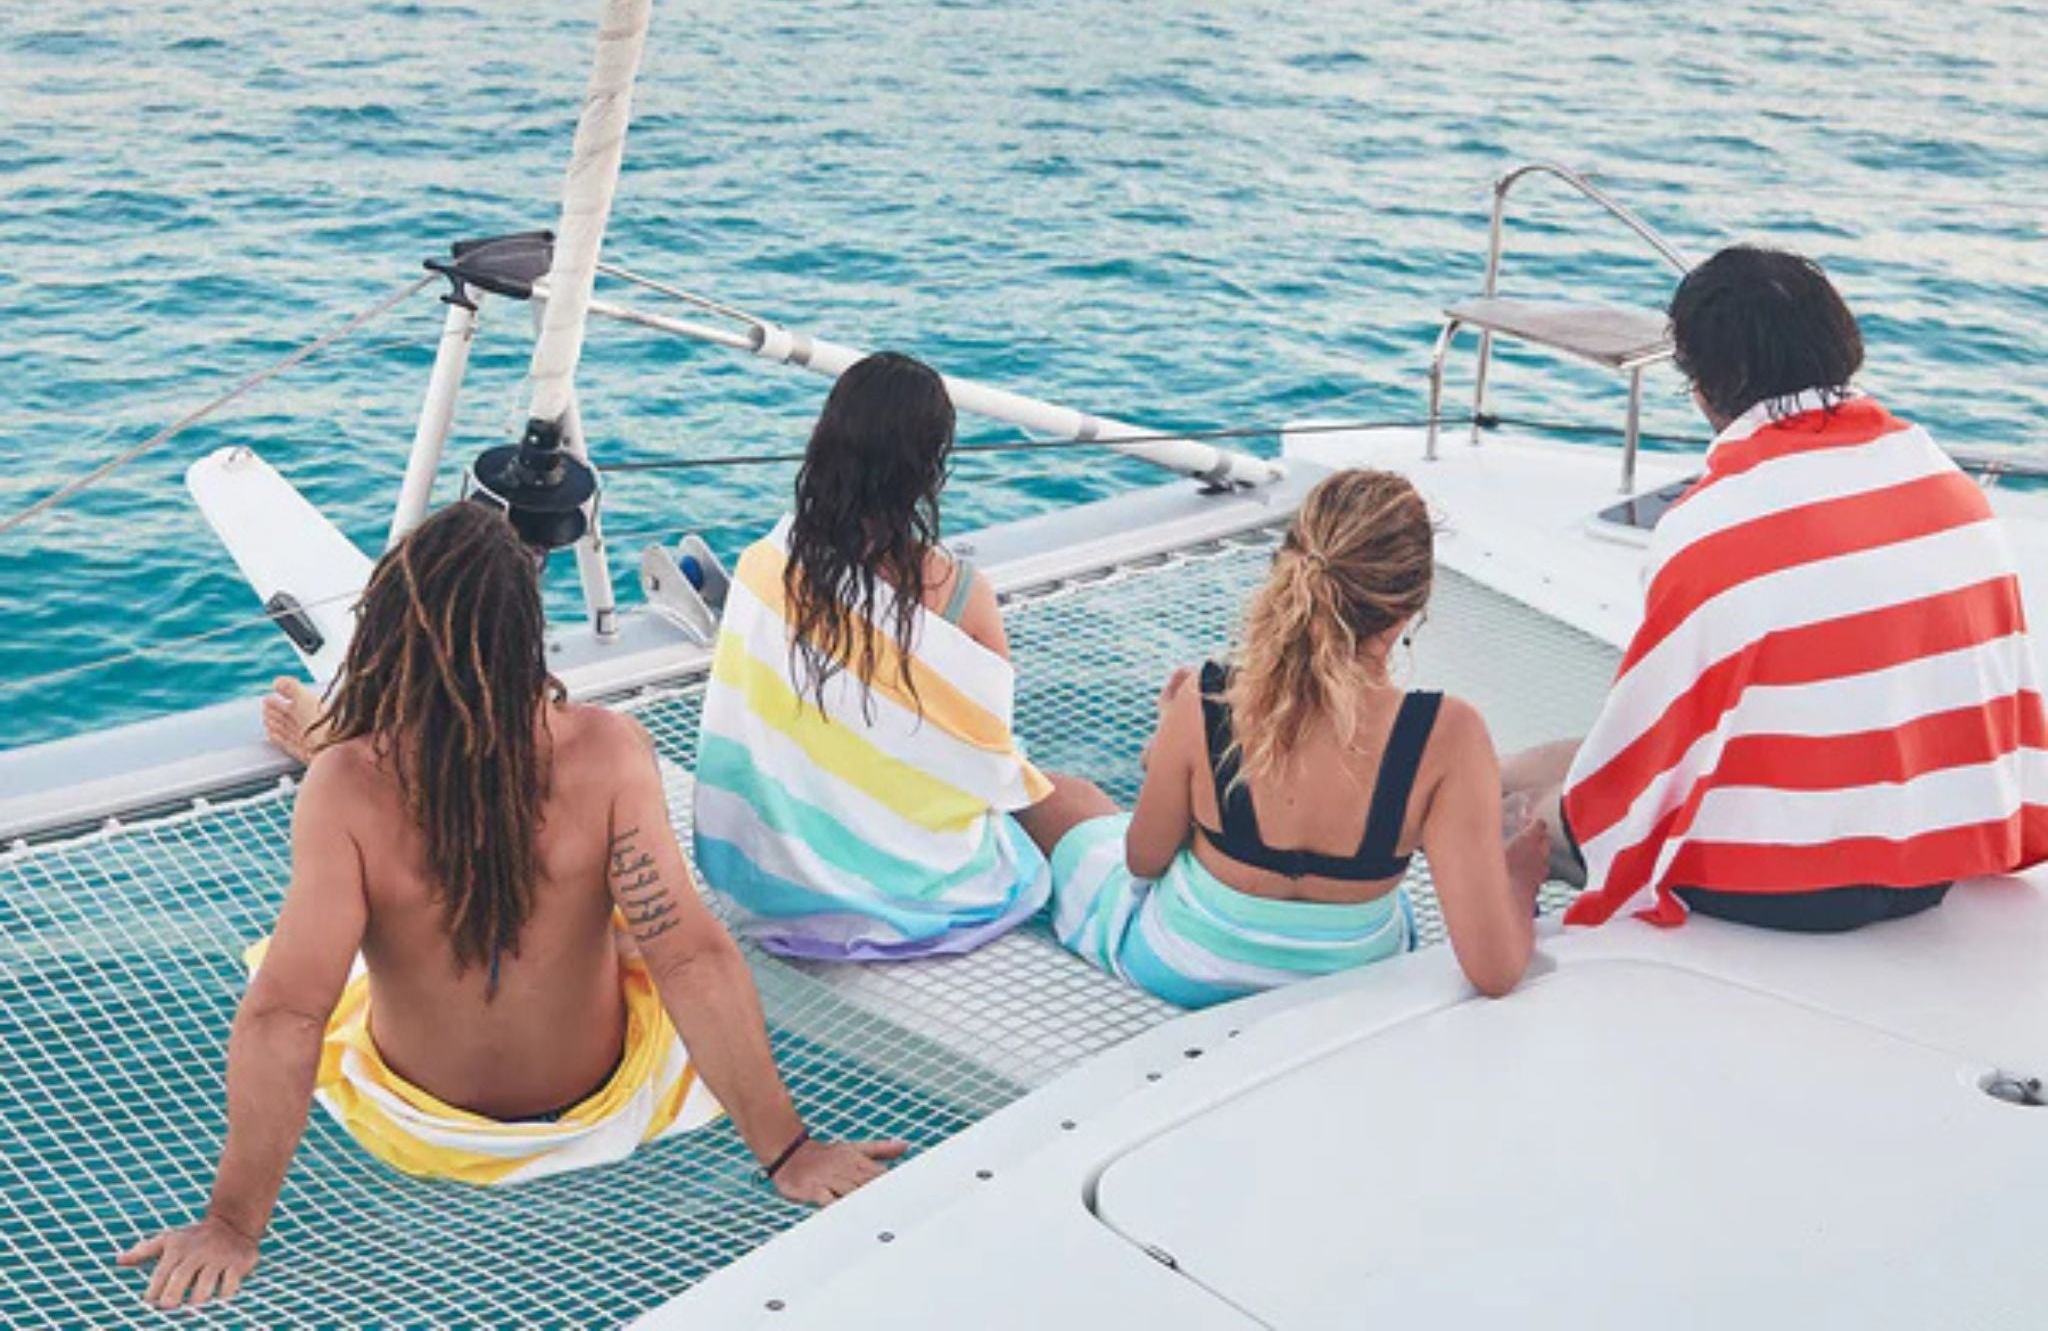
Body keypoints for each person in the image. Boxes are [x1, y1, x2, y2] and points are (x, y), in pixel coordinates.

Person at [119, 502, 902, 1314]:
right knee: (647, 922)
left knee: (322, 944)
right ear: (528, 636)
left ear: (386, 632)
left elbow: (285, 1018)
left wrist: (232, 1226)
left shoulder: (347, 787)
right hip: (609, 1096)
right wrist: (791, 1153)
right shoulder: (607, 751)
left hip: (421, 1123)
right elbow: (692, 959)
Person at [1508, 244, 2048, 931]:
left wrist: (1558, 814)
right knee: (1571, 762)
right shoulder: (1948, 488)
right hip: (1930, 864)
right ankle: (1450, 776)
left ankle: (1472, 932)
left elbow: (1646, 757)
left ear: (1706, 386)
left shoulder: (1709, 525)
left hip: (1775, 885)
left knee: (1535, 812)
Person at [1044, 469, 1550, 1006]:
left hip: (1188, 971)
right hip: (1351, 978)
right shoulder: (1450, 737)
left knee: (1067, 801)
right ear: (1408, 609)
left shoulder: (1209, 699)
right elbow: (1494, 971)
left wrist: (1168, 746)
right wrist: (1515, 886)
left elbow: (1143, 859)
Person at [693, 353, 1110, 960]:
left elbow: (742, 728)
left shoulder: (764, 565)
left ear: (825, 440)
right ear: (928, 467)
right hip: (913, 889)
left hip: (771, 882)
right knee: (1075, 800)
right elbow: (986, 759)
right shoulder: (961, 592)